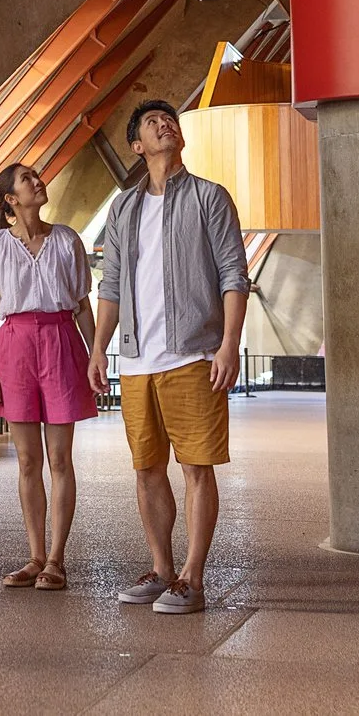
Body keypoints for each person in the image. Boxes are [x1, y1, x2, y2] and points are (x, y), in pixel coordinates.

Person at [88, 98, 248, 615]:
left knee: (197, 468)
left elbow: (233, 275)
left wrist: (228, 344)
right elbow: (110, 286)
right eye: (153, 122)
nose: (165, 124)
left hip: (194, 355)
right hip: (136, 360)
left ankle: (192, 576)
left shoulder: (209, 198)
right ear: (137, 145)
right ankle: (160, 568)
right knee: (147, 469)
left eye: (169, 119)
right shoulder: (123, 209)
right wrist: (99, 350)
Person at [0, 162, 96, 591]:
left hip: (62, 340)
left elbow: (82, 304)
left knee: (61, 459)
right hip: (15, 346)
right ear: (10, 199)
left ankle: (57, 560)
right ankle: (34, 555)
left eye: (36, 176)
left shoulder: (66, 240)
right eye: (27, 179)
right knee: (28, 460)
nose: (37, 181)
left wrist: (95, 353)